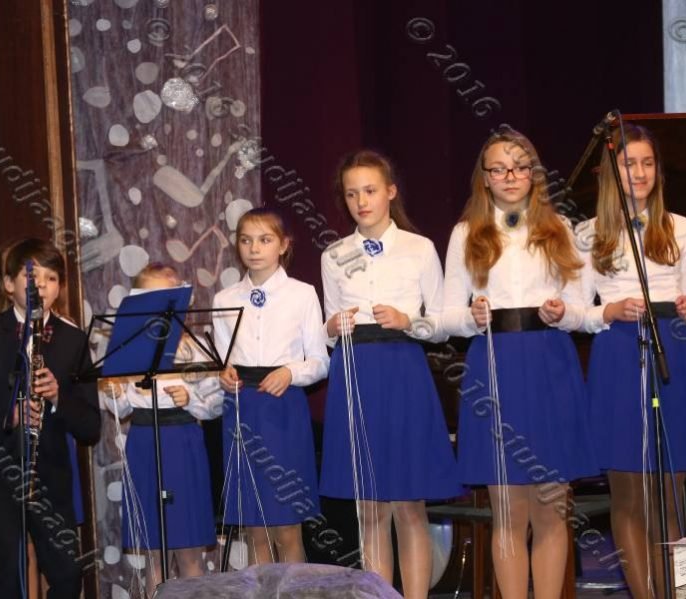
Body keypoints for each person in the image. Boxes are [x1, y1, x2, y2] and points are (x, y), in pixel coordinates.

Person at [443, 129, 596, 599]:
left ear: (535, 174)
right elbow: (446, 314)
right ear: (485, 178)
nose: (510, 176)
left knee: (551, 506)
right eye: (499, 169)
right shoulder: (466, 232)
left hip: (550, 362)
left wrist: (563, 312)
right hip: (494, 365)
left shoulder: (562, 229)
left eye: (520, 167)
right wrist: (470, 317)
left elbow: (583, 309)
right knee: (508, 508)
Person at [576, 123, 686, 599]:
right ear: (611, 173)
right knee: (628, 489)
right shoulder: (588, 233)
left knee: (671, 490)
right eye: (628, 164)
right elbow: (576, 312)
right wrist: (608, 310)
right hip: (618, 352)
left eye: (647, 163)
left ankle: (680, 592)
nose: (639, 173)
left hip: (672, 350)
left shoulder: (680, 226)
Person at [319, 150, 459, 599]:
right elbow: (327, 328)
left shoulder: (419, 248)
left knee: (409, 504)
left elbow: (441, 323)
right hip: (356, 373)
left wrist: (407, 321)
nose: (362, 201)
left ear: (390, 192)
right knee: (370, 506)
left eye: (370, 190)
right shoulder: (334, 254)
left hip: (403, 372)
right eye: (352, 194)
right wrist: (331, 328)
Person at [0, 237, 100, 598]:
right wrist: (9, 416)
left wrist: (58, 397)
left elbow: (91, 427)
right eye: (32, 276)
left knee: (68, 575)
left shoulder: (73, 341)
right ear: (9, 284)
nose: (41, 285)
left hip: (50, 475)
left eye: (51, 278)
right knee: (12, 576)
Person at [212, 207, 328, 564]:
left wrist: (290, 372)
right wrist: (223, 375)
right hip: (242, 411)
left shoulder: (302, 294)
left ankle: (294, 590)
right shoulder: (224, 299)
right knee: (255, 529)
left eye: (264, 240)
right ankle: (261, 589)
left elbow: (320, 361)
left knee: (287, 527)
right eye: (246, 240)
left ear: (283, 245)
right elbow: (221, 360)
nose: (254, 248)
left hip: (283, 411)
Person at [105, 263, 220, 591]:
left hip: (182, 442)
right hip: (143, 442)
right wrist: (115, 394)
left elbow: (215, 403)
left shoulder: (193, 347)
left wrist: (190, 399)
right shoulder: (128, 347)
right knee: (154, 551)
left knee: (188, 548)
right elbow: (120, 407)